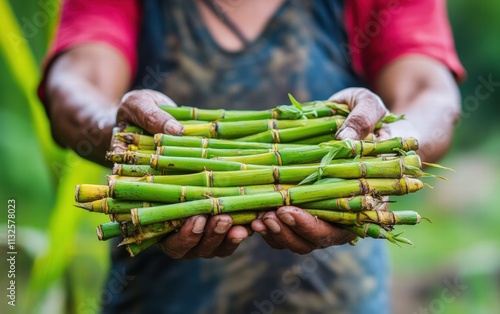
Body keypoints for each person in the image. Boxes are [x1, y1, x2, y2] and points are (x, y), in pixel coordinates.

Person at [39, 0, 464, 313]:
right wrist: (116, 126)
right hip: (160, 299)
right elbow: (76, 85)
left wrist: (387, 141)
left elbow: (430, 95)